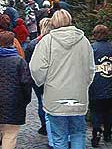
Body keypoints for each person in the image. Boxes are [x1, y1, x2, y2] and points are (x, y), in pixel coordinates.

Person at [30, 10, 95, 149]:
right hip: (78, 95)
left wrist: (41, 82)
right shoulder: (84, 41)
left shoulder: (47, 41)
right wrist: (84, 84)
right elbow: (90, 68)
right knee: (78, 133)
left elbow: (36, 68)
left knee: (59, 137)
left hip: (55, 95)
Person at [0, 31, 32, 149]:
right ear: (13, 43)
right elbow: (26, 84)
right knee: (10, 134)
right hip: (14, 103)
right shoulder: (19, 61)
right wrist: (25, 100)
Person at [89, 25, 112, 146]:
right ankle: (107, 133)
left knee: (96, 111)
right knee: (108, 111)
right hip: (111, 85)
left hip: (96, 86)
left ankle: (96, 133)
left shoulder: (92, 49)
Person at [25, 18, 53, 138]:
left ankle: (44, 126)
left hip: (37, 78)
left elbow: (28, 62)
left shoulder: (33, 43)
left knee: (42, 102)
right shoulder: (55, 42)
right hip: (53, 76)